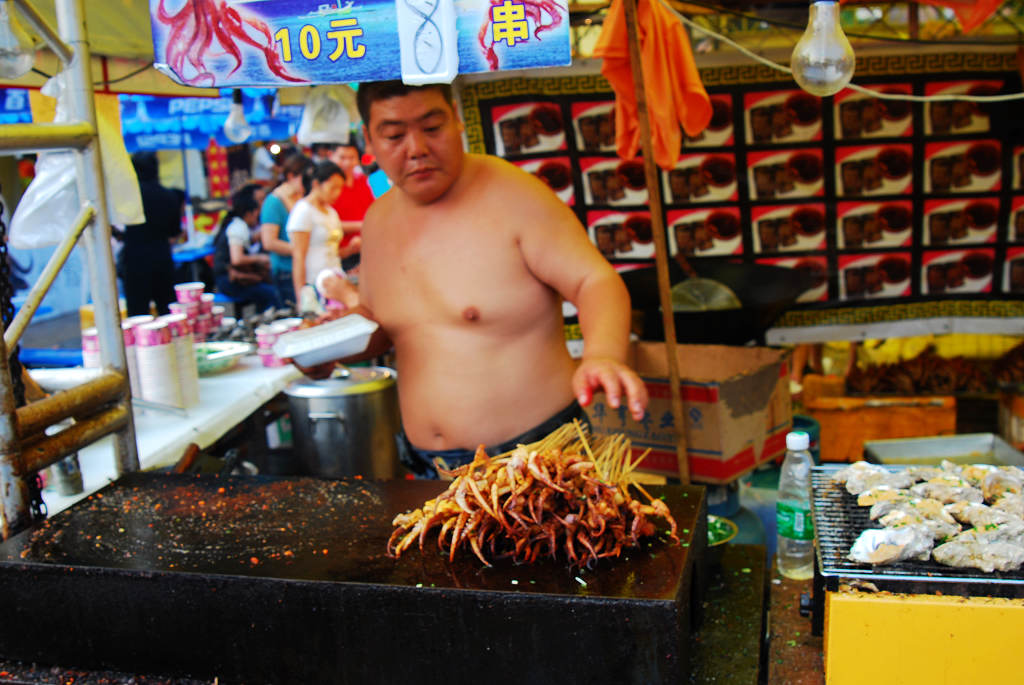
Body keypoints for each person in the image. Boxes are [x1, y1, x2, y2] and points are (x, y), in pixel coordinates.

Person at [305, 81, 647, 478]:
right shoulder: (378, 221)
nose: (416, 148)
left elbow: (594, 281)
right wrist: (330, 347)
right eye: (394, 135)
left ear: (456, 119)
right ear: (369, 137)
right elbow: (386, 326)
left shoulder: (515, 195)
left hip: (537, 459)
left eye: (432, 128)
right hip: (431, 470)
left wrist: (602, 354)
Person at [285, 161, 360, 308]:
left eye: (340, 189)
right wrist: (302, 298)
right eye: (332, 188)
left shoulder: (331, 212)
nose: (337, 193)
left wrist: (351, 249)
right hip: (314, 284)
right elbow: (299, 257)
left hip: (335, 281)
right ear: (316, 184)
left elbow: (333, 251)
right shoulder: (303, 211)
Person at [121, 152, 182, 316]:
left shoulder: (129, 198)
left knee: (138, 313)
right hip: (162, 257)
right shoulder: (170, 197)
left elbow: (117, 227)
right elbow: (174, 232)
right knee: (167, 311)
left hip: (135, 260)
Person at [213, 186, 281, 312]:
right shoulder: (238, 227)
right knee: (270, 293)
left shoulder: (238, 225)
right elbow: (237, 259)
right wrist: (260, 258)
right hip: (229, 281)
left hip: (230, 279)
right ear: (249, 213)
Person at [259, 153, 313, 306]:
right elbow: (269, 242)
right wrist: (300, 249)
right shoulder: (274, 201)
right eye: (306, 177)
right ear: (291, 176)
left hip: (305, 267)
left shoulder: (302, 197)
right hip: (286, 271)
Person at [328, 141, 376, 271]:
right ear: (331, 156)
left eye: (352, 158)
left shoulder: (363, 181)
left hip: (367, 249)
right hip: (340, 253)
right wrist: (362, 225)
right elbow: (325, 222)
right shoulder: (327, 187)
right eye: (342, 158)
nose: (347, 163)